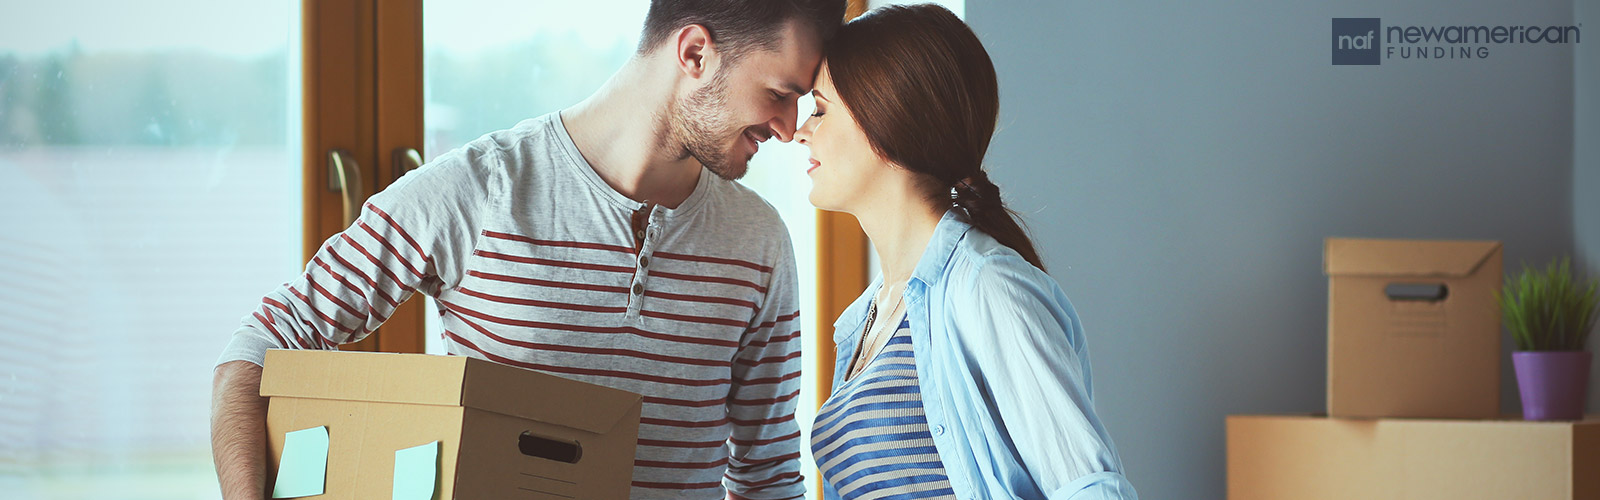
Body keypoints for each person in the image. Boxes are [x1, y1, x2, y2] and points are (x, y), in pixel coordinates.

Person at [210, 1, 845, 499]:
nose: (791, 129)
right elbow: (257, 350)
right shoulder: (476, 191)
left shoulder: (760, 242)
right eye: (780, 94)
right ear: (696, 53)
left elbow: (766, 475)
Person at [793, 5, 1138, 500]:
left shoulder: (987, 286)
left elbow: (1092, 488)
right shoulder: (864, 319)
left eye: (821, 110)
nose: (802, 130)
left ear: (886, 116)